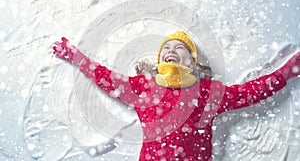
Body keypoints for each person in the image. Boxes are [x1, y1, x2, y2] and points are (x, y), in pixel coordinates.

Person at [53, 31, 300, 161]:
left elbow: (250, 92)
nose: (171, 51)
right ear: (159, 60)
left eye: (179, 47)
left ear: (192, 61)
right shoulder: (144, 87)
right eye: (166, 49)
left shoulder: (207, 92)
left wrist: (287, 71)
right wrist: (76, 56)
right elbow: (105, 77)